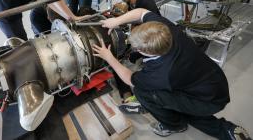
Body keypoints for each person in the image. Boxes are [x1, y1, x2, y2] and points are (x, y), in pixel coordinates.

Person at [92, 8, 251, 140]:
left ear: (145, 51)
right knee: (174, 102)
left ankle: (174, 125)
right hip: (215, 82)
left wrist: (110, 58)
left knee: (143, 93)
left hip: (207, 100)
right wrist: (117, 21)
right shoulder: (165, 30)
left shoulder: (162, 73)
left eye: (134, 47)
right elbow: (141, 13)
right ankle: (228, 131)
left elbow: (130, 79)